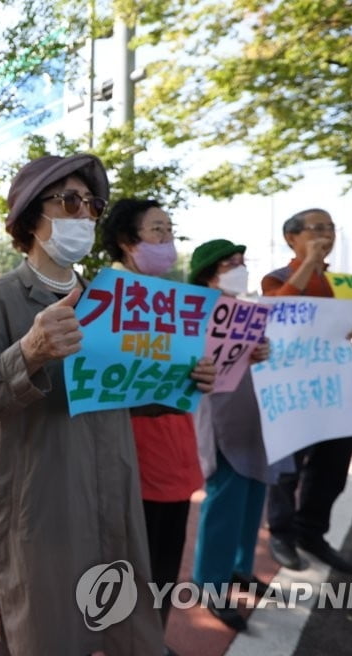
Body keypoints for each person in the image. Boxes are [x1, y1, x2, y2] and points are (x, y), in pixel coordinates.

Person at [0, 154, 165, 656]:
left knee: (120, 622)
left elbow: (131, 392)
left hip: (112, 492)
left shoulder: (111, 303)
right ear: (31, 216)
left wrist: (188, 378)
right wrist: (29, 351)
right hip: (42, 503)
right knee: (43, 629)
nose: (85, 215)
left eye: (92, 204)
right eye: (69, 201)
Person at [98, 198, 216, 652]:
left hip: (176, 456)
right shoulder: (108, 298)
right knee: (130, 569)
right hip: (133, 462)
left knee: (164, 568)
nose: (168, 241)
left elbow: (207, 367)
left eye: (170, 231)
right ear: (128, 242)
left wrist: (231, 360)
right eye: (157, 231)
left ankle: (150, 641)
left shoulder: (179, 302)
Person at [262, 208, 352, 575]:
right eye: (317, 229)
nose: (326, 236)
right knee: (287, 470)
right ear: (292, 238)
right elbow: (277, 312)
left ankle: (312, 532)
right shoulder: (275, 278)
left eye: (330, 228)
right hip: (295, 393)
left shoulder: (341, 285)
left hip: (337, 390)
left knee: (331, 470)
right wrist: (308, 264)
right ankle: (281, 533)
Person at [187, 239, 273, 632]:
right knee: (225, 498)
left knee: (253, 492)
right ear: (209, 272)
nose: (240, 268)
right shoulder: (193, 311)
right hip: (219, 416)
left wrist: (260, 351)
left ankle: (239, 566)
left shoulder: (245, 311)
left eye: (242, 261)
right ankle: (211, 583)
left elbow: (250, 353)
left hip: (251, 416)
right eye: (229, 263)